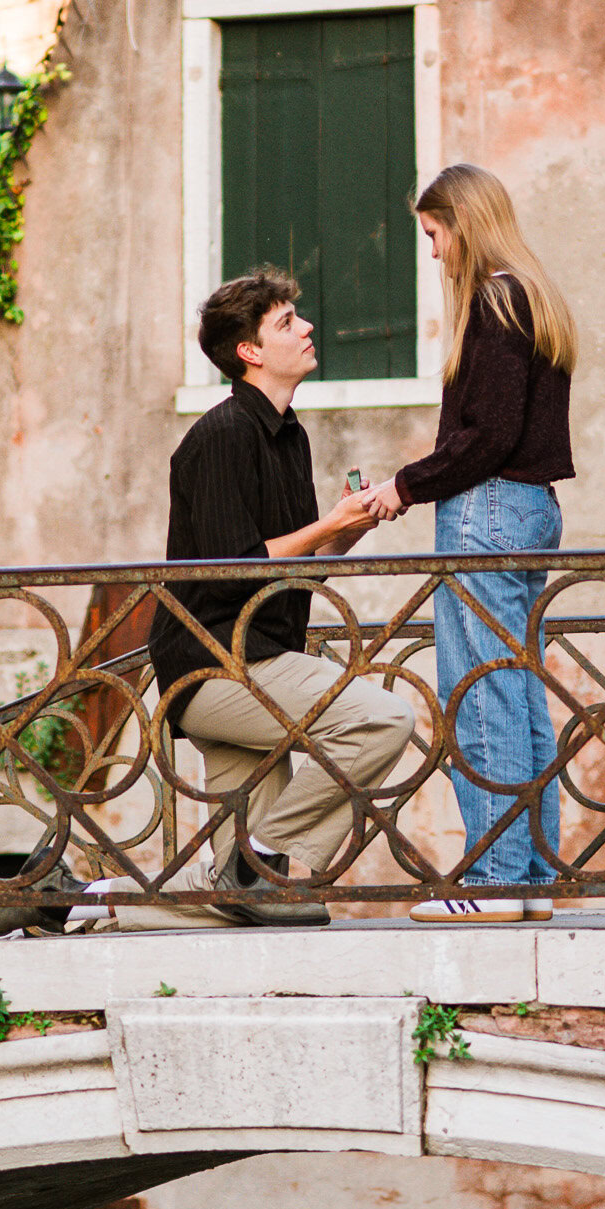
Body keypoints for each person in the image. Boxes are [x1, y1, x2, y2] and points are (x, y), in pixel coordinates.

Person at [149, 267, 415, 927]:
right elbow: (234, 567)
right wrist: (327, 525)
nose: (307, 327)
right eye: (287, 322)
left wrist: (345, 531)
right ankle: (259, 855)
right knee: (383, 721)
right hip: (216, 665)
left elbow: (299, 566)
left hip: (258, 653)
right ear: (251, 351)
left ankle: (73, 906)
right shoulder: (218, 438)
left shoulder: (288, 434)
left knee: (242, 911)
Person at [368, 165, 577, 924]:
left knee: (480, 692)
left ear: (461, 221)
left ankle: (493, 881)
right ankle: (527, 882)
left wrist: (404, 485)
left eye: (432, 234)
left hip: (486, 509)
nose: (432, 252)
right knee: (519, 696)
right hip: (530, 511)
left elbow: (488, 435)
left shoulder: (494, 296)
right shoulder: (532, 296)